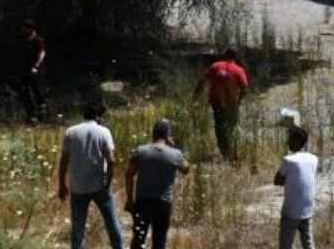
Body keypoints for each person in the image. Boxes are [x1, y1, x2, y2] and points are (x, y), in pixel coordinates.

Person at [58, 102, 126, 249]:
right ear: (97, 117)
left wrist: (62, 185)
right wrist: (107, 184)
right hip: (99, 186)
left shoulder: (70, 132)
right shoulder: (103, 132)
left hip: (77, 187)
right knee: (112, 222)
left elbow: (63, 161)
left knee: (78, 228)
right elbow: (111, 160)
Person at [124, 119, 190, 249]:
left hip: (142, 202)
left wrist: (130, 200)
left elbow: (129, 175)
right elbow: (186, 169)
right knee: (159, 241)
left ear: (153, 134)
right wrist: (174, 147)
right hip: (163, 204)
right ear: (168, 135)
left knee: (138, 239)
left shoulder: (141, 151)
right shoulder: (175, 154)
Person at [192, 48, 249, 160]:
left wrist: (195, 95)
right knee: (232, 128)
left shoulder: (216, 66)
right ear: (236, 57)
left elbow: (202, 79)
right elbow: (245, 89)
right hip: (232, 104)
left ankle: (225, 153)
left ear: (224, 55)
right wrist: (239, 100)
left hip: (217, 103)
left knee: (219, 128)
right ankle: (232, 153)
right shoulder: (238, 70)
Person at [274, 126, 318, 249]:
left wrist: (289, 180)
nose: (288, 142)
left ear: (298, 140)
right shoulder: (314, 159)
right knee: (308, 243)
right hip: (308, 209)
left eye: (290, 139)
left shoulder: (288, 160)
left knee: (286, 244)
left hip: (291, 211)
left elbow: (276, 180)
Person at [19, 20, 46, 121]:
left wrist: (36, 66)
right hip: (25, 69)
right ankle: (30, 113)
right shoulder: (24, 39)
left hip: (36, 70)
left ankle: (41, 113)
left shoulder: (38, 40)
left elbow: (42, 54)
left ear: (30, 28)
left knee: (37, 89)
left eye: (24, 27)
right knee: (24, 90)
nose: (22, 29)